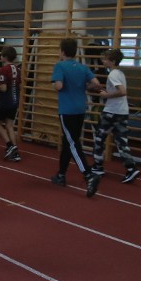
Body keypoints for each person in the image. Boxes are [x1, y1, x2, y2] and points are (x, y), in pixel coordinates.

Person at [51, 38, 102, 197]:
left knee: (73, 143)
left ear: (62, 52)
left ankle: (88, 175)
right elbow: (97, 83)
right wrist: (83, 86)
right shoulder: (82, 67)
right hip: (80, 109)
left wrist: (56, 85)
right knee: (68, 142)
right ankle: (61, 174)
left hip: (67, 110)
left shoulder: (60, 66)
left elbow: (58, 86)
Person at [91, 49, 141, 183]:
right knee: (121, 142)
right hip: (122, 112)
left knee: (99, 139)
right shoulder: (120, 73)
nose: (103, 61)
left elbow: (122, 92)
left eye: (105, 59)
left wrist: (107, 95)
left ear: (112, 61)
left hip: (112, 112)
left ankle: (97, 166)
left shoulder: (112, 74)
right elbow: (118, 91)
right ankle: (131, 168)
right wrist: (105, 91)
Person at [0, 46, 22, 162]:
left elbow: (4, 88)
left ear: (5, 57)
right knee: (10, 125)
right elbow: (18, 85)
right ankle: (15, 150)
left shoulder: (4, 69)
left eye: (1, 55)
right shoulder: (17, 69)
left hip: (5, 100)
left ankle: (10, 145)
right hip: (15, 100)